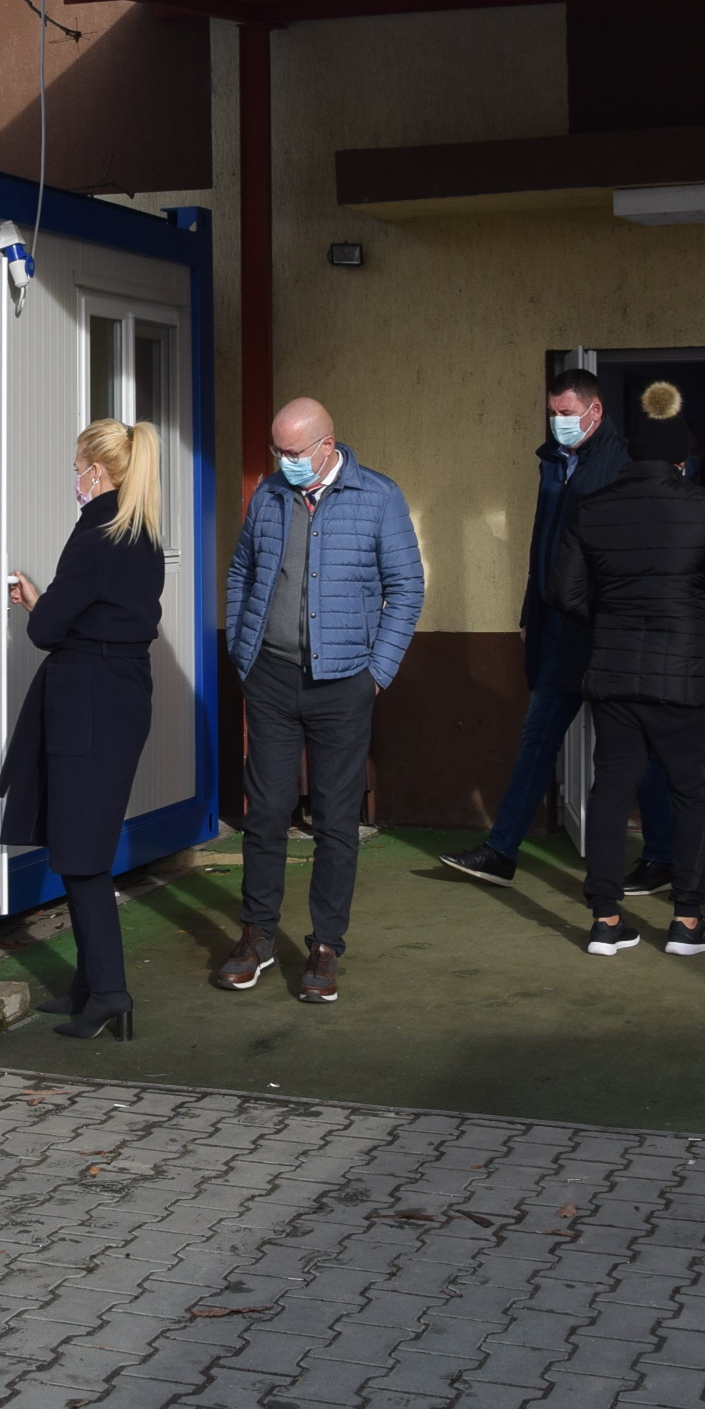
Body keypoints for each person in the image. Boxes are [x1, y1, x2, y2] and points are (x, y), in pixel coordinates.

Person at [217, 397, 425, 1004]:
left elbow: (406, 587)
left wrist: (376, 673)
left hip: (344, 686)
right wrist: (243, 652)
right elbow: (242, 572)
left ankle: (326, 946)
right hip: (271, 679)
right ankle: (257, 936)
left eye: (293, 452)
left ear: (327, 446)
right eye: (276, 450)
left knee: (335, 820)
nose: (282, 461)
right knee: (266, 813)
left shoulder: (378, 496)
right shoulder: (269, 495)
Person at [549, 381, 705, 958]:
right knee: (694, 793)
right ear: (681, 460)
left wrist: (613, 619)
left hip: (613, 674)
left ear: (632, 454)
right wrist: (701, 629)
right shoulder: (704, 508)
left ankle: (605, 920)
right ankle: (687, 921)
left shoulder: (594, 508)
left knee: (611, 791)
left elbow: (565, 593)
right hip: (685, 675)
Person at [0, 419, 168, 1040]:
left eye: (77, 469)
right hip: (119, 693)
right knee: (83, 840)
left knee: (81, 853)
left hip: (88, 701)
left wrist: (37, 605)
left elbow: (50, 631)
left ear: (97, 471)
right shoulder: (140, 530)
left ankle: (110, 993)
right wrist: (47, 603)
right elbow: (99, 614)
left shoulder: (96, 531)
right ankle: (90, 984)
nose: (74, 479)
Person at [439, 369, 627, 888]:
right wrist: (531, 611)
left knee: (626, 745)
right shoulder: (553, 462)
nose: (558, 421)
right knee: (537, 737)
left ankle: (660, 856)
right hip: (555, 628)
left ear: (595, 411)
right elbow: (542, 544)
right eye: (553, 412)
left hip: (602, 631)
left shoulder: (619, 465)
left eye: (567, 413)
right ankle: (501, 852)